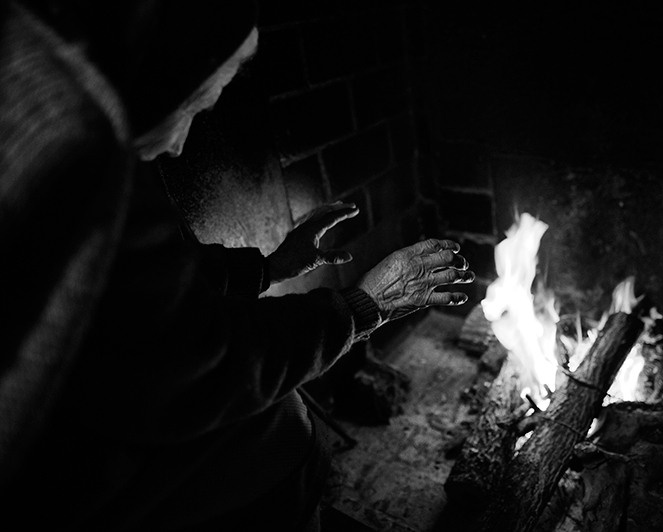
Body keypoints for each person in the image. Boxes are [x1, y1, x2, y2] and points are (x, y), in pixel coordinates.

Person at [0, 1, 475, 530]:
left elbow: (139, 295)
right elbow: (198, 366)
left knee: (284, 410)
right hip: (46, 477)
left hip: (78, 415)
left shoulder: (45, 67)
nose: (180, 147)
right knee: (282, 433)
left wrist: (269, 269)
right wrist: (365, 307)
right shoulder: (69, 143)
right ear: (161, 66)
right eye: (194, 108)